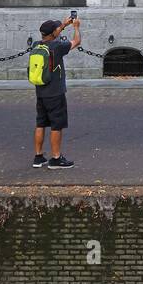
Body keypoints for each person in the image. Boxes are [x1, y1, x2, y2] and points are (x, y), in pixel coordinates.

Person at [33, 16, 80, 170]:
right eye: (57, 29)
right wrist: (76, 27)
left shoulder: (37, 45)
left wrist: (64, 24)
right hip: (55, 92)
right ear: (53, 33)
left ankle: (38, 157)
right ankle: (56, 158)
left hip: (41, 92)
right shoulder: (58, 46)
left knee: (41, 123)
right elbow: (76, 42)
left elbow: (53, 34)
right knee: (56, 125)